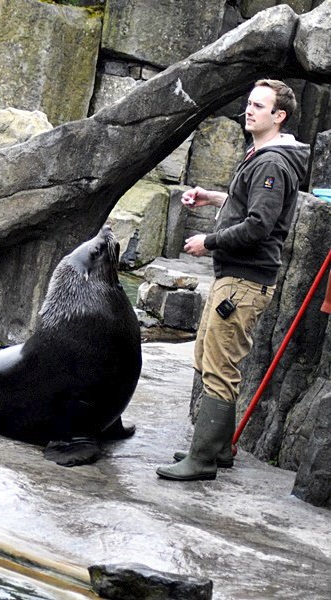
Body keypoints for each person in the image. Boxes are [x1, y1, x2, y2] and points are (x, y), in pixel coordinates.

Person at [157, 79, 310, 481]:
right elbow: (250, 205)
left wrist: (208, 241)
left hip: (244, 280)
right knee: (211, 357)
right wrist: (212, 197)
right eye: (249, 104)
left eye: (259, 106)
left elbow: (259, 225)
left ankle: (203, 459)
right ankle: (218, 448)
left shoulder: (273, 163)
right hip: (236, 278)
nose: (249, 110)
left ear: (280, 116)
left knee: (220, 365)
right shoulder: (261, 156)